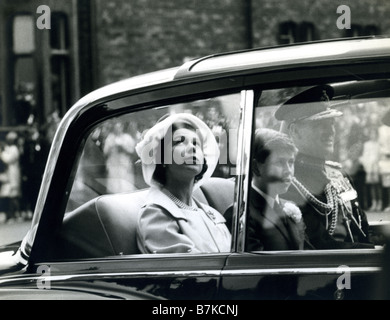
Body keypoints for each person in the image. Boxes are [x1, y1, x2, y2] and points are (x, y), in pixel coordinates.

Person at [275, 85, 374, 249]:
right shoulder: (288, 182)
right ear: (295, 131)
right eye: (319, 124)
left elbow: (361, 227)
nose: (330, 131)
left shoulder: (337, 174)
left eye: (331, 122)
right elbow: (319, 245)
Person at [135, 113, 231, 254]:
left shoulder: (211, 213)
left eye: (196, 143)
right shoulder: (156, 214)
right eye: (180, 141)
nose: (192, 148)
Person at [246, 128, 312, 251]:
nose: (288, 170)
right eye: (280, 162)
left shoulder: (288, 207)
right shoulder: (244, 214)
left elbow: (308, 254)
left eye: (291, 162)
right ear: (256, 167)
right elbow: (257, 266)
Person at [0, 131, 22, 222]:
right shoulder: (11, 148)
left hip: (14, 175)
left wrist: (1, 153)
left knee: (14, 195)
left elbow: (8, 159)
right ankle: (12, 214)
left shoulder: (14, 149)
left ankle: (17, 214)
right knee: (11, 195)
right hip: (10, 174)